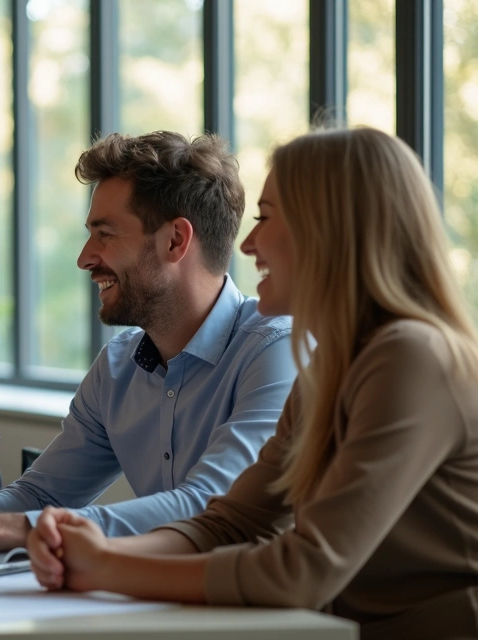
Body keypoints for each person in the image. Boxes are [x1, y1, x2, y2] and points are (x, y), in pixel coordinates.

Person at [28, 127, 478, 640]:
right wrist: (98, 548)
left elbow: (303, 570)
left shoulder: (412, 357)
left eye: (266, 218)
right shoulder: (333, 368)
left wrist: (107, 567)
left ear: (329, 229)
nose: (247, 243)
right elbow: (232, 523)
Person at [0, 131, 297, 552]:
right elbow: (40, 495)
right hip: (155, 603)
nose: (84, 257)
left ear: (175, 241)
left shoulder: (276, 350)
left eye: (106, 234)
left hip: (256, 611)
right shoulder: (117, 368)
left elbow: (208, 507)